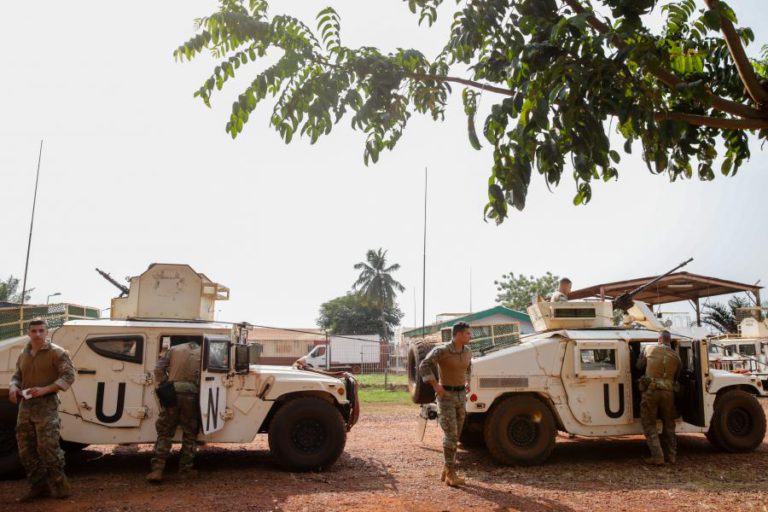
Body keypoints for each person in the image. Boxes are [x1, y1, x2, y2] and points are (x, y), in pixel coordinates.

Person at [8, 318, 75, 502]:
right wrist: (13, 387)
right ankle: (39, 487)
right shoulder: (25, 353)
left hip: (47, 405)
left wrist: (45, 389)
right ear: (28, 333)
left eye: (41, 330)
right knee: (25, 450)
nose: (37, 334)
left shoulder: (57, 353)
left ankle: (61, 486)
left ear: (46, 332)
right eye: (34, 331)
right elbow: (17, 375)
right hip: (26, 407)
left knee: (48, 447)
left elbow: (69, 376)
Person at [419, 321, 472, 487]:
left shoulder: (468, 351)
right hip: (446, 396)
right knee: (450, 435)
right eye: (467, 334)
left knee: (456, 435)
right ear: (457, 335)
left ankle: (446, 469)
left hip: (461, 395)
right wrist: (435, 385)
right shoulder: (442, 351)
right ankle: (451, 474)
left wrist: (468, 381)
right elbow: (424, 365)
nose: (470, 336)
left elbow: (469, 367)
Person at [146, 339, 202, 483]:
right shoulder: (204, 351)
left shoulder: (174, 349)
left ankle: (157, 470)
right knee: (190, 433)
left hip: (172, 393)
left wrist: (166, 384)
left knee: (165, 431)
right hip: (192, 394)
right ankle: (185, 470)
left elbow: (158, 369)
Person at [637, 330, 681, 465]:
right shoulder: (676, 356)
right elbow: (678, 375)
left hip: (651, 391)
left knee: (649, 423)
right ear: (669, 340)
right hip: (668, 393)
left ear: (660, 339)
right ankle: (672, 456)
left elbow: (639, 366)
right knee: (669, 423)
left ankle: (657, 456)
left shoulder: (649, 349)